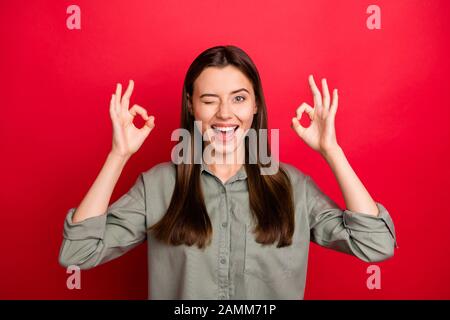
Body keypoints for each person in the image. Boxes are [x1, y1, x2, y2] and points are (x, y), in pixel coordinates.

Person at [58, 45, 397, 299]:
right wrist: (118, 155)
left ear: (255, 106)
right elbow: (78, 253)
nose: (224, 114)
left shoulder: (294, 187)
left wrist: (332, 152)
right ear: (191, 105)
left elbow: (375, 243)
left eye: (238, 99)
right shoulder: (158, 185)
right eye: (209, 100)